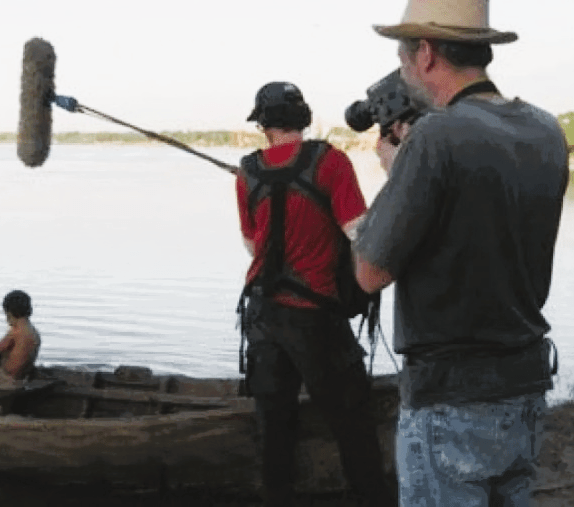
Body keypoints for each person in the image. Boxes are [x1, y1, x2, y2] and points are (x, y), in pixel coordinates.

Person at [354, 1, 569, 505]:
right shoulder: (545, 130)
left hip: (450, 400)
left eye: (404, 57)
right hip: (525, 389)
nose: (403, 70)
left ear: (426, 53)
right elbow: (476, 224)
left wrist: (398, 170)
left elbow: (369, 272)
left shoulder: (434, 137)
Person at [235, 82, 392, 506]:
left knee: (274, 424)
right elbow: (359, 234)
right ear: (302, 120)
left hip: (262, 313)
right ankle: (372, 497)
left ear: (264, 126)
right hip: (316, 314)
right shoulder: (331, 161)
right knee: (352, 419)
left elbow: (253, 244)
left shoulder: (247, 170)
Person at [0, 290, 41, 390]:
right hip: (22, 378)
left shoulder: (16, 331)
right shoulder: (32, 331)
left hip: (7, 380)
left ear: (10, 312)